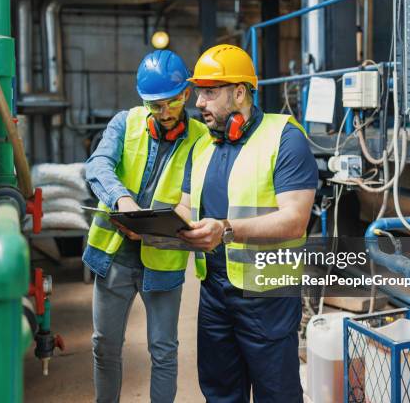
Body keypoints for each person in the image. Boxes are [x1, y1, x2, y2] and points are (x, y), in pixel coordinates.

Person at [176, 44, 318, 403]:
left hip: (266, 293)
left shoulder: (284, 138)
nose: (199, 103)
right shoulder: (203, 146)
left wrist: (226, 229)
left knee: (276, 394)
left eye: (210, 92)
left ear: (239, 92)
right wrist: (147, 224)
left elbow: (295, 220)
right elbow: (186, 207)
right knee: (221, 392)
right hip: (214, 292)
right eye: (199, 92)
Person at [83, 50, 208, 403]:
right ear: (143, 101)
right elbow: (98, 166)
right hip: (115, 257)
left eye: (171, 102)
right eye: (155, 106)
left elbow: (192, 196)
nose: (165, 112)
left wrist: (152, 228)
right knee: (104, 346)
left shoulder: (200, 137)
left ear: (186, 94)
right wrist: (123, 201)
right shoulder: (125, 123)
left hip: (162, 260)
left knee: (164, 351)